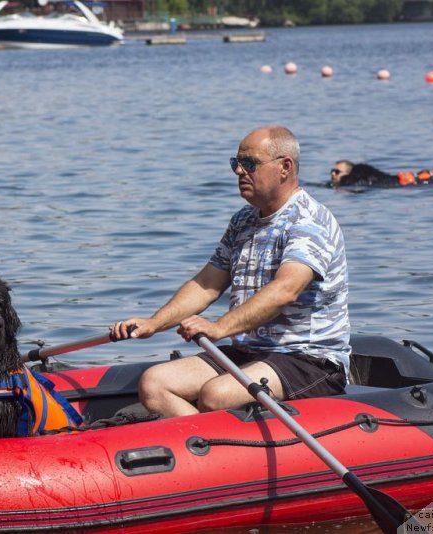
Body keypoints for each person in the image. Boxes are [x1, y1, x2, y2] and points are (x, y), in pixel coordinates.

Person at [111, 126, 350, 418]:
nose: (238, 171)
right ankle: (205, 450)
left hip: (307, 359)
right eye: (235, 163)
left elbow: (286, 290)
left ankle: (219, 449)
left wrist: (218, 328)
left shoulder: (309, 221)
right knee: (154, 383)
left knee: (217, 394)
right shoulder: (243, 221)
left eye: (249, 164)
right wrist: (153, 323)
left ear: (285, 167)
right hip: (250, 352)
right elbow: (206, 284)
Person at [330, 160, 433, 188]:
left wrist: (342, 183)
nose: (333, 174)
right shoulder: (361, 176)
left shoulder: (360, 171)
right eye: (332, 171)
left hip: (398, 183)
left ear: (350, 172)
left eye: (337, 172)